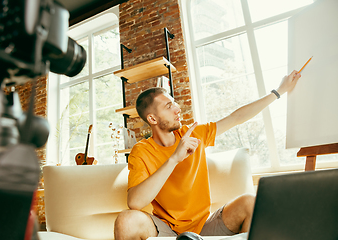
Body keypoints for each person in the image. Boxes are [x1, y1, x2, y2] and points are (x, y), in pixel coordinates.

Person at [114, 70, 301, 240]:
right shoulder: (142, 151)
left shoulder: (193, 134)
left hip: (205, 226)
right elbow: (135, 203)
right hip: (167, 230)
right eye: (169, 106)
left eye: (175, 103)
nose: (177, 108)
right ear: (152, 119)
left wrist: (278, 92)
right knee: (126, 220)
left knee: (250, 202)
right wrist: (174, 159)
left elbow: (236, 118)